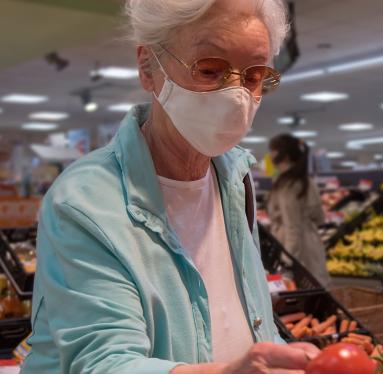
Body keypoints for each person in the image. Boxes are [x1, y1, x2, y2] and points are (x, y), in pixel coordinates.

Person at [22, 1, 319, 373]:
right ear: (148, 67)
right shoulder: (85, 204)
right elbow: (101, 362)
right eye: (210, 69)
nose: (237, 96)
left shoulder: (234, 178)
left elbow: (246, 319)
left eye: (254, 76)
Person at [267, 134, 332, 287]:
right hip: (311, 244)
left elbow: (292, 228)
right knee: (318, 293)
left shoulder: (287, 186)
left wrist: (285, 262)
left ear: (282, 154)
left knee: (301, 297)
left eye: (272, 150)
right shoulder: (307, 182)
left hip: (295, 250)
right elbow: (319, 218)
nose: (269, 155)